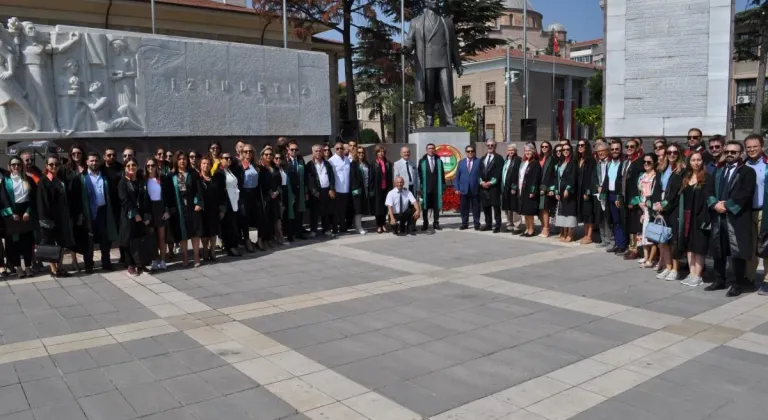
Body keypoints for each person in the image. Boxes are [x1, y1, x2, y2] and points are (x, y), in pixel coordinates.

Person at [706, 141, 756, 297]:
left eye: (733, 152)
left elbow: (746, 193)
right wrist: (714, 204)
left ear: (741, 154)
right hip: (718, 217)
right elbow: (708, 190)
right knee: (718, 249)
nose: (729, 154)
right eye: (727, 151)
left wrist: (727, 206)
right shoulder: (718, 171)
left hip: (736, 217)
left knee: (736, 251)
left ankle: (736, 284)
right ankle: (719, 280)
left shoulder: (747, 172)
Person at [74, 152, 118, 273]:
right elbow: (76, 198)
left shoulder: (104, 176)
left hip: (103, 211)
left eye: (96, 160)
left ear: (99, 162)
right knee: (89, 240)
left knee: (105, 239)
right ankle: (88, 265)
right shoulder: (81, 178)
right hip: (88, 213)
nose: (94, 163)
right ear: (87, 162)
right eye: (91, 161)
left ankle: (106, 262)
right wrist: (80, 214)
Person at [37, 155, 74, 278]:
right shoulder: (43, 181)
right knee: (51, 244)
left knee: (61, 243)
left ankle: (60, 266)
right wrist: (44, 219)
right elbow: (41, 202)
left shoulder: (61, 180)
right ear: (46, 166)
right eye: (51, 164)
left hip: (62, 217)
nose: (54, 167)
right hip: (49, 218)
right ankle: (54, 269)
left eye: (56, 164)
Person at [678, 152, 711, 287]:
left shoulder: (707, 178)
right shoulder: (686, 177)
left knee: (699, 246)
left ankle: (698, 275)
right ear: (689, 162)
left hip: (700, 216)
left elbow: (708, 198)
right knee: (690, 246)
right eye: (693, 160)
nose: (696, 162)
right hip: (687, 216)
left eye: (698, 160)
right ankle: (691, 273)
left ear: (702, 162)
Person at [653, 143, 685, 280]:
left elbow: (677, 191)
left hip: (674, 208)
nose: (672, 154)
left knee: (673, 240)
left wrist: (664, 205)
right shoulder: (661, 169)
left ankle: (675, 269)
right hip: (661, 207)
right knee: (663, 240)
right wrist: (655, 204)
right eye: (669, 152)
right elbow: (657, 189)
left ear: (679, 154)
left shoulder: (682, 170)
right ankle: (668, 266)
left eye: (675, 152)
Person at [0, 156, 35, 278]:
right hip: (13, 215)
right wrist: (10, 213)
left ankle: (28, 266)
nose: (16, 167)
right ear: (10, 166)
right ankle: (18, 267)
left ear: (22, 166)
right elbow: (3, 200)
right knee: (14, 243)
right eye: (14, 164)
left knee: (27, 241)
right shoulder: (5, 181)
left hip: (26, 213)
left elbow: (33, 199)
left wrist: (28, 212)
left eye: (18, 164)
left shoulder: (29, 180)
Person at [169, 151, 204, 267]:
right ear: (176, 161)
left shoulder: (193, 173)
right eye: (179, 159)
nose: (182, 161)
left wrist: (199, 202)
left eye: (184, 159)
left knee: (194, 231)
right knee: (182, 232)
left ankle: (196, 256)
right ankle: (185, 256)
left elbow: (199, 189)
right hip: (179, 207)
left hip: (192, 205)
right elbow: (169, 194)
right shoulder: (172, 175)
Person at [117, 158, 147, 276]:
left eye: (133, 165)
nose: (131, 167)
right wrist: (135, 214)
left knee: (139, 239)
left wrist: (143, 214)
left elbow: (144, 198)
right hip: (128, 216)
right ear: (125, 168)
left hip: (141, 216)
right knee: (128, 240)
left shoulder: (140, 181)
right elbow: (124, 200)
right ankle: (130, 265)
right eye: (128, 165)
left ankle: (140, 263)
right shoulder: (123, 182)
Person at [745, 134, 768, 289]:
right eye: (749, 147)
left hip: (764, 211)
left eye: (755, 146)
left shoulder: (766, 165)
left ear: (762, 147)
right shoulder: (742, 164)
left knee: (766, 246)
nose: (752, 149)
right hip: (746, 212)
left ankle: (767, 280)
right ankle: (749, 278)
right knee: (749, 246)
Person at [143, 158, 173, 270]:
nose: (151, 168)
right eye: (148, 166)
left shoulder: (162, 178)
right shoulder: (144, 180)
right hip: (150, 210)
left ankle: (163, 260)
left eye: (153, 165)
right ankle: (154, 260)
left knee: (162, 237)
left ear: (156, 166)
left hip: (161, 208)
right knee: (152, 237)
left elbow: (169, 196)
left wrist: (167, 210)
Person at [620, 138, 644, 260]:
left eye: (632, 147)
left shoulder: (639, 162)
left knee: (635, 226)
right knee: (629, 225)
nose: (629, 148)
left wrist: (633, 200)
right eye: (627, 146)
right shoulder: (625, 161)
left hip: (633, 200)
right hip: (625, 197)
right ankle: (631, 246)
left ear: (637, 148)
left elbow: (637, 183)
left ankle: (636, 249)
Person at [634, 153, 658, 269]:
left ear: (654, 163)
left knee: (651, 233)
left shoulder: (656, 176)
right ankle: (645, 255)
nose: (646, 164)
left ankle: (651, 259)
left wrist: (647, 205)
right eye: (644, 162)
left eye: (649, 162)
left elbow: (654, 194)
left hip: (651, 207)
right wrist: (639, 202)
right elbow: (638, 192)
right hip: (642, 206)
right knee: (642, 232)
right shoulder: (642, 176)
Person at [214, 152, 241, 257]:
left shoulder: (229, 170)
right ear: (220, 159)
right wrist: (222, 207)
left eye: (230, 158)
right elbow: (219, 191)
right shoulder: (218, 173)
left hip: (234, 200)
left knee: (233, 224)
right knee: (228, 226)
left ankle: (233, 245)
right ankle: (230, 247)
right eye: (226, 158)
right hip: (226, 202)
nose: (229, 160)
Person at [66, 144, 87, 272]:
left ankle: (87, 258)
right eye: (73, 153)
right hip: (73, 206)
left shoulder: (87, 167)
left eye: (78, 153)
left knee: (86, 233)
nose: (76, 155)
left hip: (87, 203)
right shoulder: (67, 169)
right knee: (73, 233)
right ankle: (74, 260)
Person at [307, 144, 336, 237]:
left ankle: (326, 229)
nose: (318, 152)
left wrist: (331, 189)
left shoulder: (327, 164)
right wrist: (314, 191)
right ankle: (313, 230)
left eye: (320, 151)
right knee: (314, 212)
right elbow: (309, 179)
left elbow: (332, 177)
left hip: (326, 190)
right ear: (313, 152)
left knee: (326, 211)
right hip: (316, 191)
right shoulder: (310, 165)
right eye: (316, 151)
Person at [605, 139, 627, 254]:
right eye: (612, 149)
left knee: (621, 221)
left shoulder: (623, 163)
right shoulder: (609, 164)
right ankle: (618, 243)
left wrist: (619, 196)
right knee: (615, 221)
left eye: (617, 149)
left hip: (619, 196)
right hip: (610, 194)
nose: (614, 151)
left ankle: (623, 244)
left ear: (621, 149)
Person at [237, 145, 260, 252]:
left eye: (250, 151)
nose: (248, 154)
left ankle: (259, 240)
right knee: (244, 218)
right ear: (242, 153)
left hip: (254, 194)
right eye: (245, 151)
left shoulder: (255, 164)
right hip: (244, 194)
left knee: (257, 216)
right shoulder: (239, 165)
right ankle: (246, 240)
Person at [418, 143, 445, 232]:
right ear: (426, 150)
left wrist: (443, 186)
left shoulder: (439, 161)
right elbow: (419, 175)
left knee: (436, 206)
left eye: (433, 148)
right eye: (429, 148)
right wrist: (420, 187)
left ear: (435, 150)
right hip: (426, 188)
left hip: (436, 188)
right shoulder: (422, 161)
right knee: (425, 206)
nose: (431, 150)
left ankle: (436, 223)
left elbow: (442, 175)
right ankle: (425, 223)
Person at [554, 143, 577, 242]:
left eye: (567, 149)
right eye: (564, 150)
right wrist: (556, 191)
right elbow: (557, 178)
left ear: (571, 150)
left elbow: (573, 177)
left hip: (569, 191)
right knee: (562, 212)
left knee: (569, 212)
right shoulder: (561, 162)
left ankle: (570, 233)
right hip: (560, 190)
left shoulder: (573, 162)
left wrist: (568, 189)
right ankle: (563, 232)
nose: (565, 151)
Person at [285, 140, 308, 240]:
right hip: (289, 191)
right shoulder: (285, 161)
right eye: (292, 149)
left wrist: (306, 191)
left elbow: (305, 176)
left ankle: (299, 233)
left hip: (300, 190)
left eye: (296, 149)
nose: (294, 151)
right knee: (290, 214)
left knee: (299, 213)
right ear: (288, 149)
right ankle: (290, 234)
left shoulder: (300, 160)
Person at [260, 147, 283, 245]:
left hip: (275, 197)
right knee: (266, 219)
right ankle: (265, 239)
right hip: (266, 197)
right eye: (266, 154)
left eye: (270, 154)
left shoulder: (276, 168)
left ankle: (273, 238)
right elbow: (261, 183)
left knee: (275, 217)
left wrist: (277, 192)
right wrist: (269, 192)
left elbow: (280, 183)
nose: (269, 156)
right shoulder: (261, 168)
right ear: (263, 156)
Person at [454, 146, 480, 230]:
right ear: (466, 152)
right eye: (468, 151)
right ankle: (464, 223)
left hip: (475, 188)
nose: (470, 153)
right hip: (463, 189)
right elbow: (457, 177)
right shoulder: (461, 163)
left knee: (476, 208)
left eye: (472, 151)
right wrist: (457, 188)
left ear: (474, 152)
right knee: (464, 208)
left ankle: (476, 223)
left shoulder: (479, 162)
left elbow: (481, 175)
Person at [576, 141, 598, 244]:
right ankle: (585, 235)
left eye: (582, 145)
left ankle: (589, 236)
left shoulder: (591, 160)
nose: (580, 147)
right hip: (579, 191)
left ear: (586, 147)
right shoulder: (579, 159)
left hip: (587, 191)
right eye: (578, 145)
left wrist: (588, 191)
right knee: (584, 214)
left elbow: (591, 178)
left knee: (589, 214)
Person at [518, 143, 542, 237]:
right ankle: (527, 229)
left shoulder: (535, 163)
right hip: (523, 190)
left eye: (529, 151)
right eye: (526, 151)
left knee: (529, 212)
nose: (527, 152)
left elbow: (536, 179)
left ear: (533, 152)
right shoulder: (526, 162)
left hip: (530, 191)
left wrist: (533, 191)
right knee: (525, 211)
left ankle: (531, 230)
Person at [479, 140, 503, 232]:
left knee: (496, 207)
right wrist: (481, 182)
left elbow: (498, 172)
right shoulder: (482, 158)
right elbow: (479, 172)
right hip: (483, 186)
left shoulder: (499, 158)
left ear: (495, 146)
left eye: (492, 145)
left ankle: (497, 225)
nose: (490, 146)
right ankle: (488, 224)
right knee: (486, 206)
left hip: (493, 187)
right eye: (488, 145)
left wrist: (490, 182)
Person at [328, 141, 351, 235]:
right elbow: (330, 176)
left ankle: (343, 228)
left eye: (341, 148)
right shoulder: (331, 161)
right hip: (337, 189)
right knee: (336, 211)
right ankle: (335, 228)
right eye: (337, 148)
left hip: (346, 189)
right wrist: (331, 189)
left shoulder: (347, 159)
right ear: (334, 149)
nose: (340, 150)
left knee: (343, 210)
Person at [350, 147, 372, 235]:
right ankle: (359, 227)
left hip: (365, 188)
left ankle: (357, 227)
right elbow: (352, 177)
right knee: (358, 209)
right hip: (358, 189)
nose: (361, 154)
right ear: (356, 153)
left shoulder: (366, 163)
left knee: (362, 208)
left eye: (362, 152)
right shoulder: (354, 164)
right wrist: (355, 188)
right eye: (359, 152)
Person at [501, 144, 522, 234]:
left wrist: (515, 186)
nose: (511, 152)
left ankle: (517, 226)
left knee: (514, 207)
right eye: (509, 150)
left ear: (516, 151)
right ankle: (509, 225)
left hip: (513, 187)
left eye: (512, 150)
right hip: (505, 187)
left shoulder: (518, 160)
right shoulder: (506, 160)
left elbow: (519, 174)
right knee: (507, 207)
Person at [593, 141, 611, 247]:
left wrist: (604, 188)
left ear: (607, 151)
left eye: (602, 151)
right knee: (600, 217)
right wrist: (597, 187)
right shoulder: (597, 164)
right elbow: (594, 178)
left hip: (608, 192)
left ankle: (609, 240)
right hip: (599, 194)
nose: (600, 153)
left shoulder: (611, 162)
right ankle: (603, 239)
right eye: (598, 151)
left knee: (608, 217)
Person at [371, 145, 393, 234]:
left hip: (386, 188)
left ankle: (383, 224)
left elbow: (390, 176)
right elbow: (371, 178)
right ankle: (378, 225)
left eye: (382, 152)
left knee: (384, 207)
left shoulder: (388, 163)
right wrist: (371, 189)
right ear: (376, 153)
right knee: (378, 208)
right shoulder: (373, 163)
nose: (381, 153)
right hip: (377, 188)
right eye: (379, 152)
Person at [275, 151, 294, 243]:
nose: (278, 160)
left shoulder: (283, 169)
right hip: (278, 194)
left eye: (280, 158)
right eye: (276, 158)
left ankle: (286, 235)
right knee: (279, 218)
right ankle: (280, 238)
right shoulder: (274, 170)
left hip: (286, 193)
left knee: (286, 216)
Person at [538, 141, 556, 237]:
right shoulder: (539, 158)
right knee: (540, 209)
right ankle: (543, 226)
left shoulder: (552, 159)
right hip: (538, 186)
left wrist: (547, 188)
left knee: (545, 208)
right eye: (543, 146)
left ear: (549, 148)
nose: (544, 148)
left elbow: (552, 175)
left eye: (546, 146)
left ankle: (546, 228)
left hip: (546, 187)